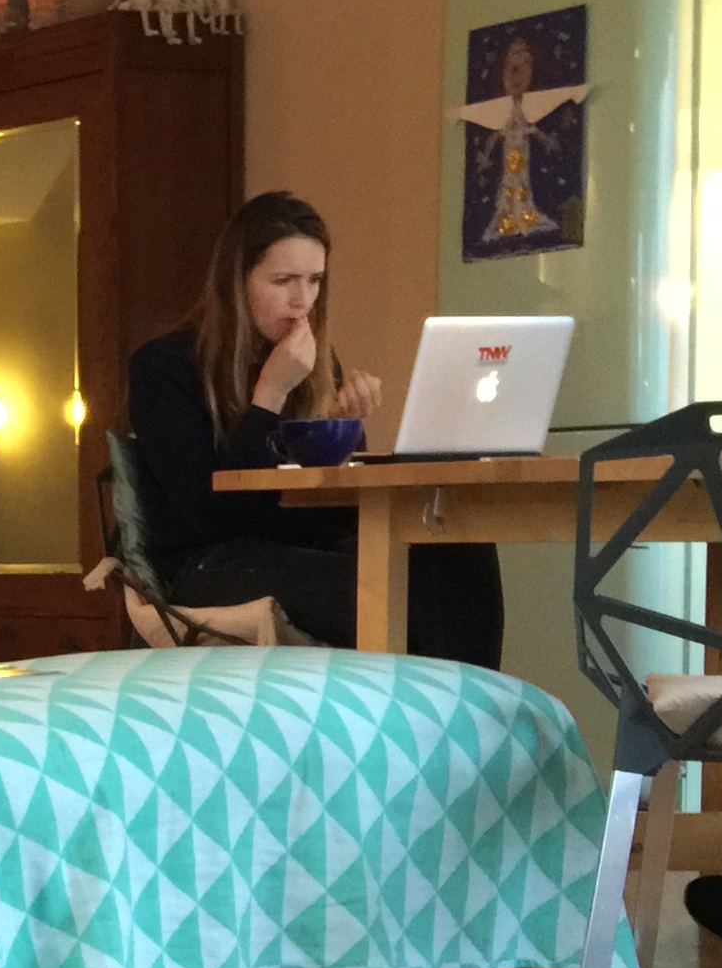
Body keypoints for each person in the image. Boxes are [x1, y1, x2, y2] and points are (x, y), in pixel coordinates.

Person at [124, 190, 504, 666]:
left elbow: (334, 512)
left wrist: (344, 433)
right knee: (388, 591)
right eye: (283, 281)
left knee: (460, 554)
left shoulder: (316, 364)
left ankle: (474, 700)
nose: (301, 301)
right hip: (207, 559)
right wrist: (269, 394)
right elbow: (208, 515)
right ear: (236, 282)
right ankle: (425, 699)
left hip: (301, 545)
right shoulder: (164, 367)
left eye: (314, 281)